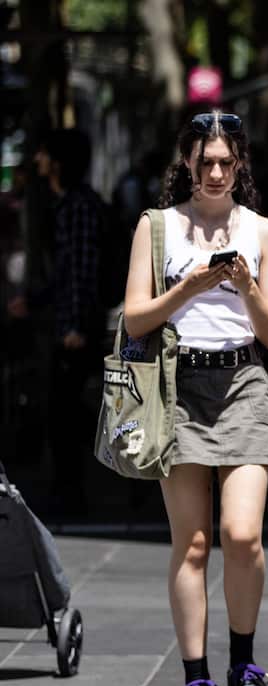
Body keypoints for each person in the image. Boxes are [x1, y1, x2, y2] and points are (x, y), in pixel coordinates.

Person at [121, 111, 268, 686]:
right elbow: (137, 318)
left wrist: (244, 285)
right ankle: (196, 678)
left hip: (244, 383)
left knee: (242, 534)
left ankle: (244, 666)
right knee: (192, 542)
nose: (216, 172)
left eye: (226, 161)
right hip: (177, 386)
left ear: (240, 163)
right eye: (205, 161)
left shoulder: (264, 232)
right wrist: (188, 288)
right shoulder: (157, 227)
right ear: (187, 162)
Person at [29, 129, 105, 515]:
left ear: (57, 161)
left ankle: (72, 494)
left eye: (43, 153)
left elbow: (80, 270)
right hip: (68, 321)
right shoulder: (66, 205)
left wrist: (74, 326)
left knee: (67, 412)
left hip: (76, 328)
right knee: (65, 410)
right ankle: (67, 490)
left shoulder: (78, 206)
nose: (37, 159)